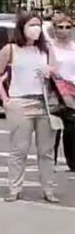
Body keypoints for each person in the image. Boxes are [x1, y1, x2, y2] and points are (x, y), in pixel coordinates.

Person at [0, 12, 60, 203]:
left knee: (46, 151)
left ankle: (48, 189)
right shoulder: (10, 49)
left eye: (38, 25)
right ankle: (14, 188)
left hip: (45, 103)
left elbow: (56, 72)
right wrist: (5, 98)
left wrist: (50, 71)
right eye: (31, 25)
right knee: (19, 150)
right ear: (22, 28)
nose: (36, 29)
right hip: (20, 102)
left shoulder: (46, 49)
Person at [48, 11, 75, 172]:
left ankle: (72, 161)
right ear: (55, 28)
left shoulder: (74, 47)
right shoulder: (50, 47)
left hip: (72, 91)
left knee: (71, 128)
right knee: (54, 128)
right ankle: (50, 161)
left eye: (68, 27)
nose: (64, 30)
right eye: (61, 27)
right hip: (55, 91)